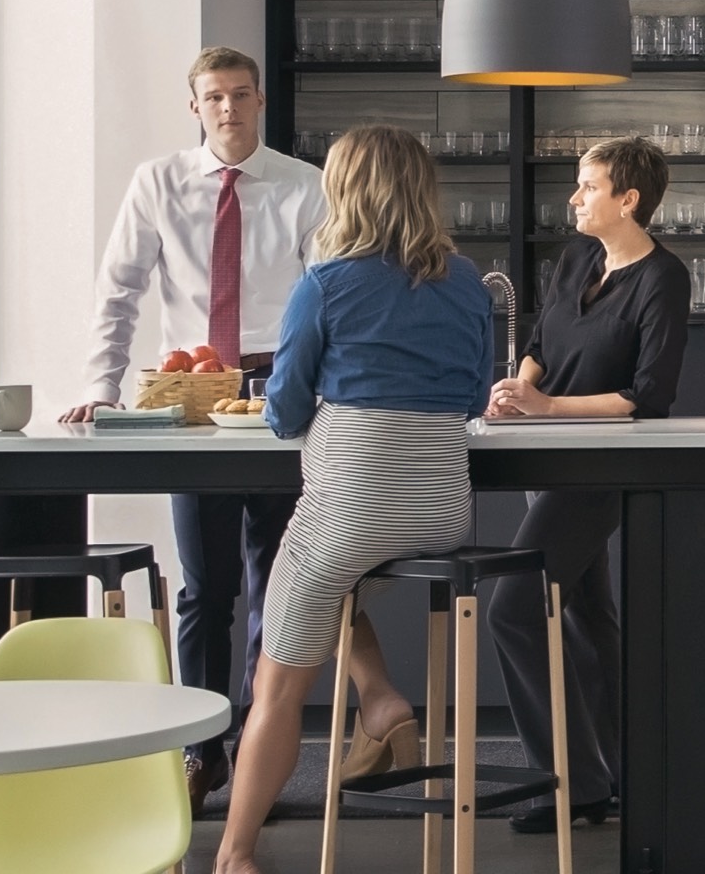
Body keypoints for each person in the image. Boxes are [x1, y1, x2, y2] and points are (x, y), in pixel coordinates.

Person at [215, 126, 495, 874]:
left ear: (346, 191)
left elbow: (282, 411)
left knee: (274, 687)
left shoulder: (327, 282)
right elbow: (474, 395)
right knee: (341, 588)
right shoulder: (468, 282)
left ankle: (236, 854)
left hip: (350, 511)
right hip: (443, 509)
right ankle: (381, 702)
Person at [61, 46, 325, 801]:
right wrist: (99, 387)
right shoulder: (158, 183)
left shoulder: (303, 186)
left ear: (261, 100)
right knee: (204, 588)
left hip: (281, 387)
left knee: (279, 583)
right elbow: (118, 292)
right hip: (190, 388)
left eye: (241, 95)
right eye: (214, 98)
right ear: (195, 106)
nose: (229, 109)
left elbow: (327, 297)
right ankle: (200, 748)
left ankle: (257, 748)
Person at [483, 135, 689, 833]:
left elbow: (648, 395)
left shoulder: (664, 277)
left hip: (598, 464)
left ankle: (569, 784)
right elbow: (542, 342)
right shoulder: (576, 259)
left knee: (511, 608)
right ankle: (634, 773)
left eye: (588, 186)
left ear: (628, 200)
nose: (574, 198)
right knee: (588, 617)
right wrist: (518, 390)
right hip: (546, 456)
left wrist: (544, 408)